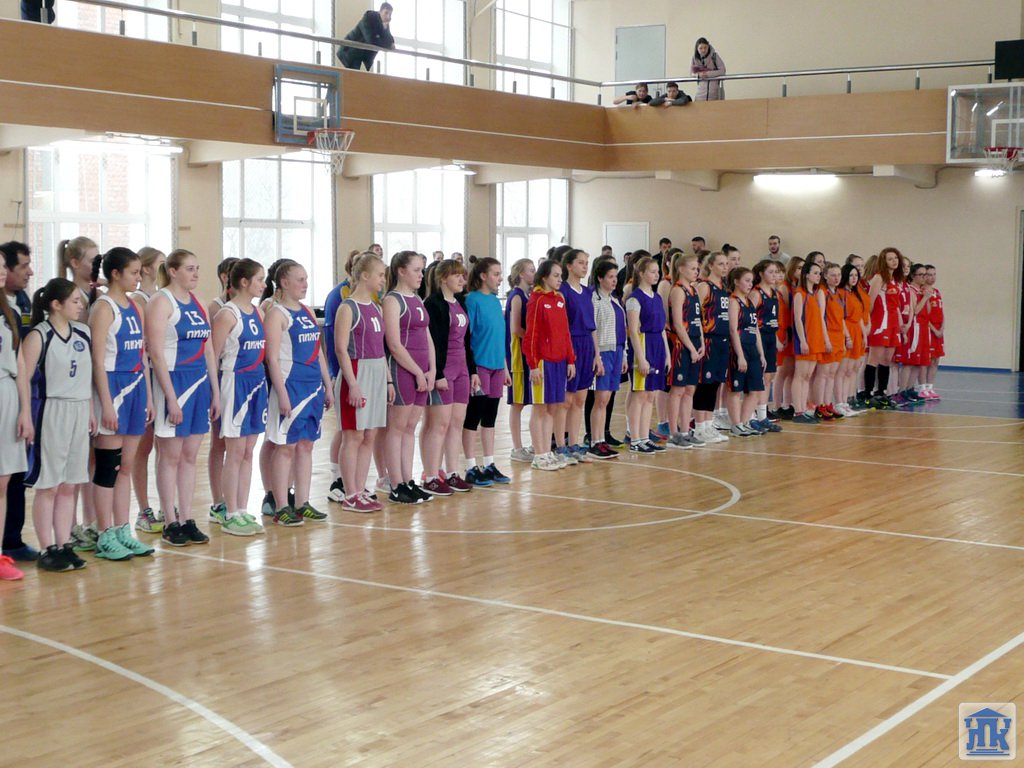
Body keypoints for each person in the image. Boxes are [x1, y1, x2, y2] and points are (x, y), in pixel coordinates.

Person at [145, 249, 218, 547]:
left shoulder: (198, 303)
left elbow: (209, 349)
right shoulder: (161, 301)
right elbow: (155, 352)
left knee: (190, 456)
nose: (196, 273)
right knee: (170, 455)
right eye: (189, 268)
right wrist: (170, 398)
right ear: (173, 271)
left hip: (199, 383)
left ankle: (187, 518)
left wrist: (215, 391)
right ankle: (170, 521)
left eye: (197, 268)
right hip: (173, 382)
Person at [20, 279, 93, 573]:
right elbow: (23, 380)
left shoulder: (83, 333)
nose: (80, 305)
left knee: (70, 484)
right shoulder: (39, 335)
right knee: (49, 484)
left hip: (79, 408)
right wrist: (26, 414)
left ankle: (64, 544)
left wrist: (90, 409)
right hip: (52, 410)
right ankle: (47, 548)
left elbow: (87, 375)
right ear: (56, 305)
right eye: (74, 300)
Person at [89, 248, 155, 560]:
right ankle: (104, 534)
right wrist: (105, 403)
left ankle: (122, 529)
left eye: (140, 272)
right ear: (115, 274)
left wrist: (149, 397)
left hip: (136, 388)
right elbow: (97, 361)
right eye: (133, 272)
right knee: (108, 467)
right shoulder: (103, 308)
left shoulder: (136, 307)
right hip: (112, 389)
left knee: (126, 466)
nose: (138, 278)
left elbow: (142, 355)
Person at [264, 260, 333, 523]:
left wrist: (327, 386)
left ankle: (303, 502)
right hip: (290, 387)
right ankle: (282, 505)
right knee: (286, 447)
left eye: (306, 279)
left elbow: (318, 353)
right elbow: (271, 359)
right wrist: (281, 394)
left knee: (306, 446)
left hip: (312, 387)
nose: (305, 284)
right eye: (300, 279)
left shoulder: (307, 311)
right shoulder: (276, 314)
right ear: (284, 282)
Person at [210, 258, 270, 534]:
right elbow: (212, 356)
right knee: (234, 452)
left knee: (248, 451)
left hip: (257, 382)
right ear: (244, 282)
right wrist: (215, 393)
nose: (264, 285)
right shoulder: (227, 314)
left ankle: (243, 509)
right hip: (234, 383)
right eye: (259, 279)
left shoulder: (258, 312)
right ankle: (230, 512)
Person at [334, 254, 389, 513]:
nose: (383, 279)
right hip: (357, 371)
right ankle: (350, 494)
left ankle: (361, 489)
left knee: (370, 435)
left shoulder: (377, 308)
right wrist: (353, 384)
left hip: (377, 371)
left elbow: (381, 348)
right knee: (353, 436)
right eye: (380, 274)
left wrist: (388, 380)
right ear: (365, 276)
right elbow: (341, 349)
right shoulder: (348, 308)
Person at [383, 251, 435, 504]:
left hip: (422, 372)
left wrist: (432, 369)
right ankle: (396, 484)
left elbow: (427, 336)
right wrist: (416, 371)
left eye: (422, 270)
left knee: (410, 428)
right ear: (401, 271)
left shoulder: (417, 299)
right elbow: (394, 344)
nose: (421, 275)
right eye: (416, 270)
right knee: (397, 428)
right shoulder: (392, 301)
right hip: (403, 370)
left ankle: (408, 480)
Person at [423, 260, 477, 494]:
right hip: (444, 369)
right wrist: (438, 373)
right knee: (440, 424)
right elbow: (433, 342)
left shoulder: (460, 302)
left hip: (462, 367)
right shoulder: (433, 304)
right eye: (457, 276)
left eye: (463, 276)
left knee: (456, 423)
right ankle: (431, 476)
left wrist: (473, 371)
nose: (462, 280)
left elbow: (467, 341)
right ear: (443, 278)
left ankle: (453, 472)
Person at [1, 241, 38, 563]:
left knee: (12, 475)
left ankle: (10, 541)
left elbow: (21, 360)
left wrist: (25, 409)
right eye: (22, 266)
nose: (30, 272)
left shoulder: (17, 307)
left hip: (14, 393)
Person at [463, 257, 512, 483]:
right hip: (480, 365)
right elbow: (468, 337)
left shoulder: (494, 301)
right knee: (473, 416)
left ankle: (490, 463)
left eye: (500, 274)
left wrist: (505, 367)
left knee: (490, 417)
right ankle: (470, 466)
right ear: (483, 276)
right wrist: (472, 369)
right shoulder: (472, 300)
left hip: (496, 367)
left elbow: (499, 337)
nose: (500, 278)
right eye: (496, 274)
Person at [524, 259, 574, 471]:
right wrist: (533, 365)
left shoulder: (559, 299)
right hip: (543, 362)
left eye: (561, 276)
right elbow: (531, 335)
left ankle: (547, 452)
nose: (560, 279)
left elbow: (565, 332)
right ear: (544, 277)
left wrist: (570, 359)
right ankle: (539, 454)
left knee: (553, 408)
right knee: (540, 408)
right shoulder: (536, 301)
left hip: (559, 362)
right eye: (555, 275)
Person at [131, 247, 165, 535]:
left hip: (166, 375)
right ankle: (143, 508)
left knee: (166, 446)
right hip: (147, 374)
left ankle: (168, 504)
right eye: (161, 263)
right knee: (143, 447)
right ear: (145, 269)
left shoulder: (164, 298)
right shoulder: (139, 300)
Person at [205, 257, 238, 528]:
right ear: (225, 277)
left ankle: (236, 500)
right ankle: (218, 501)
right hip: (221, 378)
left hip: (242, 380)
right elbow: (211, 351)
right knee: (219, 443)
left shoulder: (247, 309)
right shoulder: (216, 308)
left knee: (239, 446)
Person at [625, 255, 669, 454]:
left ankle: (644, 437)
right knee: (640, 394)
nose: (656, 275)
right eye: (652, 271)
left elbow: (662, 329)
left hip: (657, 345)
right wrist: (641, 358)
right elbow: (633, 331)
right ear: (641, 273)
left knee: (651, 394)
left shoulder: (657, 297)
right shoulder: (635, 299)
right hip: (643, 346)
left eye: (658, 272)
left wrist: (667, 354)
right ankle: (635, 438)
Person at [559, 249, 598, 464]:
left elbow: (592, 327)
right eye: (580, 262)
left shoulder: (587, 292)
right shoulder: (563, 291)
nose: (585, 266)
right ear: (569, 266)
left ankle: (574, 444)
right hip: (571, 344)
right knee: (567, 399)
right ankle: (561, 445)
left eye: (586, 262)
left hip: (587, 346)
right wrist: (568, 356)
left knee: (580, 399)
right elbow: (562, 327)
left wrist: (597, 355)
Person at [666, 252, 705, 448]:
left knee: (690, 389)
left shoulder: (694, 290)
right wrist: (690, 347)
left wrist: (702, 343)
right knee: (678, 390)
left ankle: (685, 430)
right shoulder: (678, 290)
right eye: (692, 268)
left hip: (695, 342)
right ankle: (673, 432)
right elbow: (678, 324)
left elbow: (698, 321)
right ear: (681, 269)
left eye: (697, 269)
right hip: (681, 345)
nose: (696, 272)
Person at [587, 260, 624, 460]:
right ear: (600, 278)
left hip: (616, 351)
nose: (614, 280)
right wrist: (596, 356)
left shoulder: (614, 300)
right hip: (603, 351)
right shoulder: (594, 299)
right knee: (600, 399)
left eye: (615, 277)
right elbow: (592, 329)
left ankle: (602, 439)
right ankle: (595, 441)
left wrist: (624, 354)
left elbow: (621, 330)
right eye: (610, 277)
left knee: (607, 399)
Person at [693, 251, 730, 444]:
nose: (725, 267)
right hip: (707, 339)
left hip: (721, 340)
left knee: (715, 384)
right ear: (710, 266)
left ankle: (708, 425)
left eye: (726, 264)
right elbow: (695, 314)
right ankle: (699, 427)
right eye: (721, 264)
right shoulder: (704, 286)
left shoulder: (723, 288)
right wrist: (699, 340)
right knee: (705, 384)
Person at [726, 267, 767, 437]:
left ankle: (744, 422)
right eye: (747, 280)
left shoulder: (750, 302)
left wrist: (761, 353)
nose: (750, 284)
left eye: (751, 281)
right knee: (736, 390)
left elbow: (755, 329)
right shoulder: (733, 301)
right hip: (739, 348)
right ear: (736, 281)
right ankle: (736, 424)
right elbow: (733, 330)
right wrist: (740, 356)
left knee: (755, 390)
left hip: (752, 348)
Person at [862, 247, 905, 408]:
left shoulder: (895, 280)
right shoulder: (879, 278)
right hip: (881, 322)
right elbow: (870, 302)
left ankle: (881, 392)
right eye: (890, 259)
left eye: (896, 258)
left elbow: (896, 305)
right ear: (884, 261)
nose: (894, 261)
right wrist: (868, 322)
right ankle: (867, 394)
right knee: (874, 358)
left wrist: (900, 324)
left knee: (887, 359)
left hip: (893, 323)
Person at [505, 258, 535, 463]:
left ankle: (533, 443)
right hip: (517, 355)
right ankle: (517, 447)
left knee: (528, 401)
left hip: (527, 354)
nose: (534, 273)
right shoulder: (516, 296)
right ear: (521, 274)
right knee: (517, 403)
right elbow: (516, 329)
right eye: (531, 270)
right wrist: (534, 339)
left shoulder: (527, 295)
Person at [791, 259, 826, 424]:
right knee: (800, 375)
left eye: (819, 273)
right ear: (806, 275)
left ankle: (804, 409)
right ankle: (797, 410)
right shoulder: (800, 293)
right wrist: (803, 341)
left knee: (807, 376)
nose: (818, 276)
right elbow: (797, 319)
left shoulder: (815, 294)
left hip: (816, 339)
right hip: (805, 339)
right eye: (815, 273)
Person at [750, 259, 783, 432]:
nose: (775, 275)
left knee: (769, 376)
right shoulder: (756, 293)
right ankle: (750, 416)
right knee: (758, 377)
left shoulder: (774, 293)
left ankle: (763, 416)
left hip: (770, 336)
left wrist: (776, 339)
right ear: (761, 274)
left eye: (776, 272)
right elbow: (750, 319)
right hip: (759, 336)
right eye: (771, 272)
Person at [337, 2, 395, 71]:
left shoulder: (384, 24)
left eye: (390, 14)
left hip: (360, 52)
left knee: (357, 74)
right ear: (380, 12)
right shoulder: (369, 17)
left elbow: (391, 41)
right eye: (386, 13)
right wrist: (385, 42)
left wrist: (384, 34)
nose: (388, 17)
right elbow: (371, 40)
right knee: (355, 74)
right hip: (350, 49)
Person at [923, 265, 944, 399]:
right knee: (928, 360)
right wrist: (934, 330)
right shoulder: (924, 292)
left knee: (936, 360)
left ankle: (930, 387)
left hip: (938, 331)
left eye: (934, 274)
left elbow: (941, 312)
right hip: (929, 331)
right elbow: (924, 316)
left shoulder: (937, 292)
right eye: (929, 275)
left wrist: (941, 328)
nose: (932, 277)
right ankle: (923, 387)